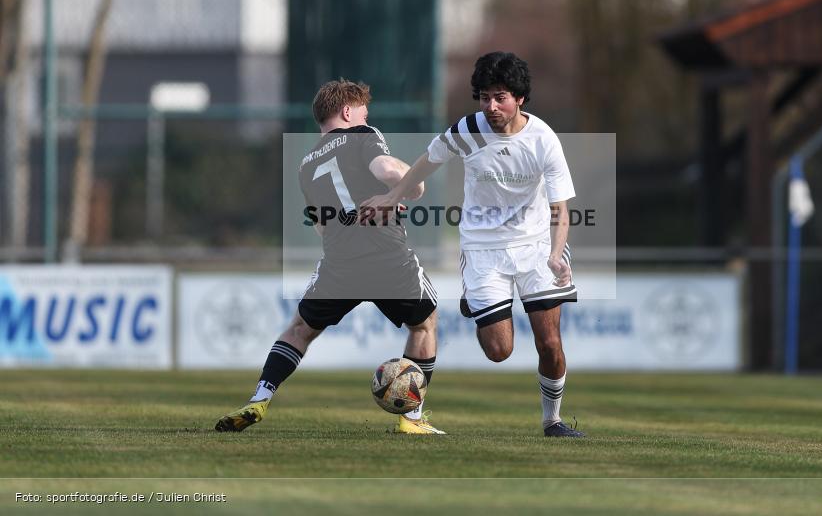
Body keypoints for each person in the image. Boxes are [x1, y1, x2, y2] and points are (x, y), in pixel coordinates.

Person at [361, 52, 584, 437]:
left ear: (520, 99)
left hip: (536, 247)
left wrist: (554, 254)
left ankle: (553, 420)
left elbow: (560, 209)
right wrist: (392, 194)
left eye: (500, 97)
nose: (491, 106)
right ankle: (478, 304)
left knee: (549, 342)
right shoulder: (468, 129)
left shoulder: (543, 139)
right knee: (500, 351)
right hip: (483, 248)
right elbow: (428, 161)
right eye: (484, 97)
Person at [216, 79, 444, 435]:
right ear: (348, 112)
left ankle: (259, 398)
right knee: (425, 324)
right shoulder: (363, 134)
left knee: (299, 330)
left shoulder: (306, 164)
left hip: (339, 260)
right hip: (386, 255)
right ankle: (412, 418)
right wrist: (408, 187)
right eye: (363, 112)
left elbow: (321, 225)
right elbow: (387, 171)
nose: (365, 117)